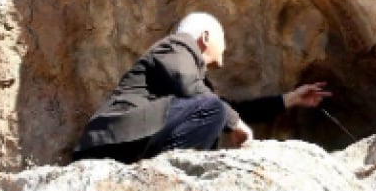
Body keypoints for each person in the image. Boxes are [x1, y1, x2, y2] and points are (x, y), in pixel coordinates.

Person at [71, 12, 331, 163]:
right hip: (113, 138)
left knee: (213, 110)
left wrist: (291, 99)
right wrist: (233, 121)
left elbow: (228, 109)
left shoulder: (197, 84)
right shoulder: (177, 45)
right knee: (212, 110)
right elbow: (201, 96)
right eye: (223, 42)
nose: (224, 52)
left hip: (124, 143)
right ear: (205, 37)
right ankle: (173, 174)